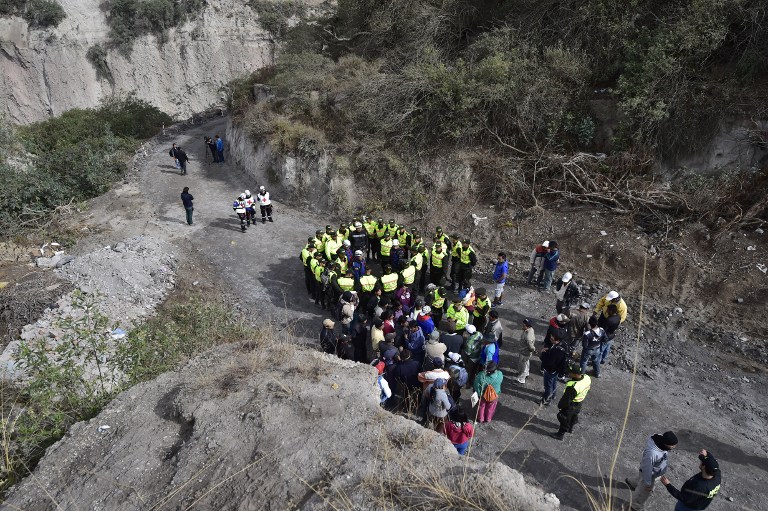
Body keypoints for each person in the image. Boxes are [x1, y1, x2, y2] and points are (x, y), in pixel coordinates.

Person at [625, 431, 679, 511]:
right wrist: (648, 483)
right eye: (672, 445)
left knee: (641, 480)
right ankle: (635, 506)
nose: (674, 447)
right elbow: (646, 469)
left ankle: (633, 483)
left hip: (655, 472)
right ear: (665, 443)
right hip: (650, 474)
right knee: (643, 493)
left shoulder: (660, 439)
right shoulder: (652, 454)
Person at [550, 363, 591, 439]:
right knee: (574, 415)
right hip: (579, 402)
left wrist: (560, 406)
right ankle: (570, 428)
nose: (568, 373)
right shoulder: (586, 377)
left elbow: (566, 400)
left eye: (570, 372)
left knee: (563, 417)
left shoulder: (573, 387)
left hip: (572, 404)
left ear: (575, 374)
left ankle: (561, 434)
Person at [539, 334, 569, 405]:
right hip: (557, 369)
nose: (551, 340)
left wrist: (543, 353)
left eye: (552, 339)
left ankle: (546, 400)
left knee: (548, 385)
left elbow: (549, 362)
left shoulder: (556, 351)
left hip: (550, 370)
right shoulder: (563, 344)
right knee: (554, 382)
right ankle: (553, 395)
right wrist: (549, 350)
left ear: (557, 340)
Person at [513, 318, 536, 384]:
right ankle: (526, 374)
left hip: (525, 352)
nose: (522, 325)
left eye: (524, 325)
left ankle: (521, 380)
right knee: (526, 363)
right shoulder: (529, 330)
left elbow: (531, 347)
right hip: (525, 351)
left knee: (523, 366)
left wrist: (533, 350)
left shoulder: (528, 336)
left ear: (527, 326)